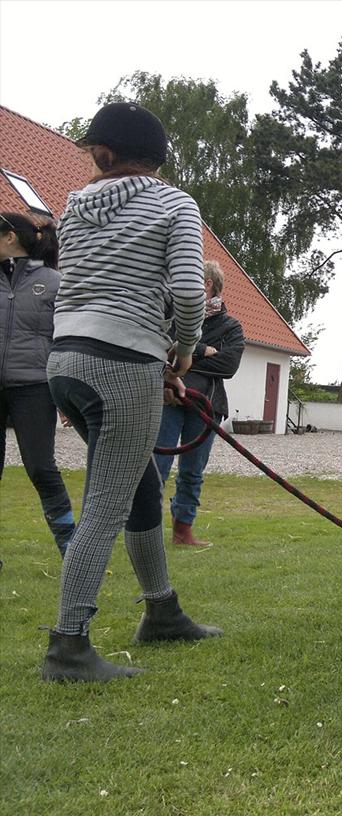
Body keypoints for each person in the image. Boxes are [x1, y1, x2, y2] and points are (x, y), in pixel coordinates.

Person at [41, 102, 222, 683]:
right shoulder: (175, 203)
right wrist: (185, 351)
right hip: (123, 364)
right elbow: (190, 294)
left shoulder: (71, 208)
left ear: (106, 152)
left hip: (67, 360)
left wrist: (154, 361)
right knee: (105, 505)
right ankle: (69, 646)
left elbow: (81, 284)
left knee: (138, 480)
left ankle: (162, 611)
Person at [0, 212, 76, 561]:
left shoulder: (55, 282)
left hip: (34, 387)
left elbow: (65, 339)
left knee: (41, 468)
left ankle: (72, 552)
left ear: (10, 237)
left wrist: (67, 392)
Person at [154, 260, 244, 547]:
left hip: (206, 407)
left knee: (192, 471)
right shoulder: (171, 318)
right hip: (168, 400)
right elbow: (158, 350)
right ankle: (147, 530)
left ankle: (183, 531)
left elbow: (229, 365)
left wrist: (180, 356)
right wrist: (201, 350)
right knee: (157, 466)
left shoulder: (231, 326)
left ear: (207, 284)